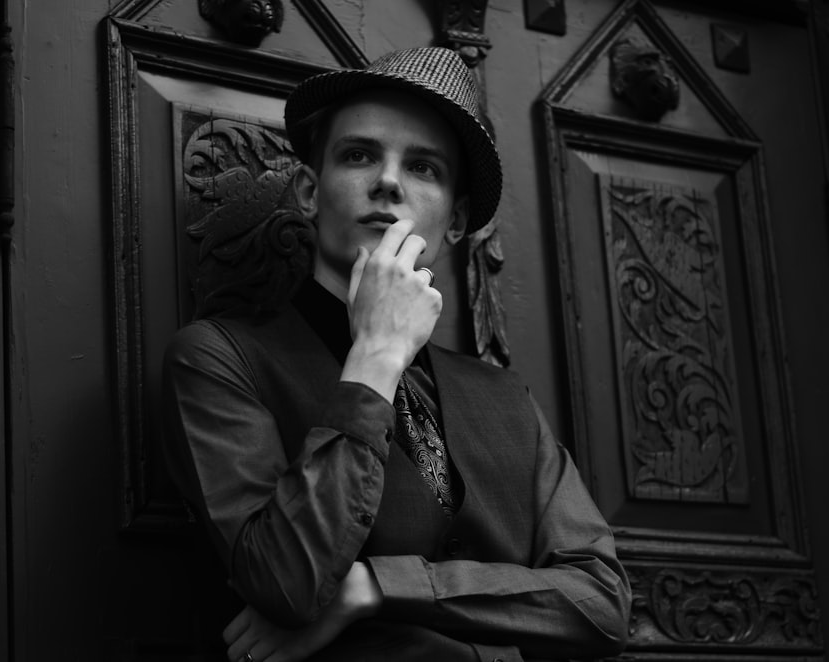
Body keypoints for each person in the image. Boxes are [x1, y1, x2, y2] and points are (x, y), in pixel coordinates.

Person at [162, 47, 631, 662]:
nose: (387, 181)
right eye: (359, 155)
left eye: (424, 167)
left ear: (457, 219)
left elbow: (602, 603)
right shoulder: (220, 360)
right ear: (308, 190)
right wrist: (377, 355)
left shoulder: (504, 398)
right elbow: (287, 582)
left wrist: (377, 586)